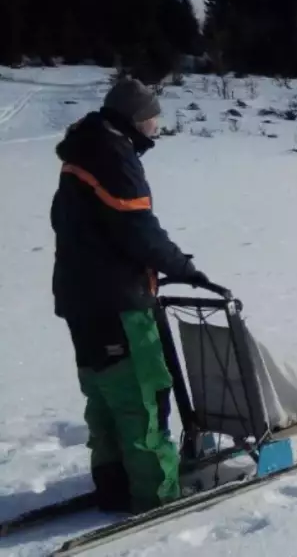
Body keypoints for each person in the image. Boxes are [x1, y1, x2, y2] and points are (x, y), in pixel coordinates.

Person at [50, 77, 212, 515]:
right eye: (150, 121)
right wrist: (184, 267)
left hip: (79, 299)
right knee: (142, 397)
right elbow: (137, 230)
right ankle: (155, 496)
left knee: (104, 395)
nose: (153, 130)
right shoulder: (113, 156)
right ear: (132, 120)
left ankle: (113, 484)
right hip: (117, 302)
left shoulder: (82, 151)